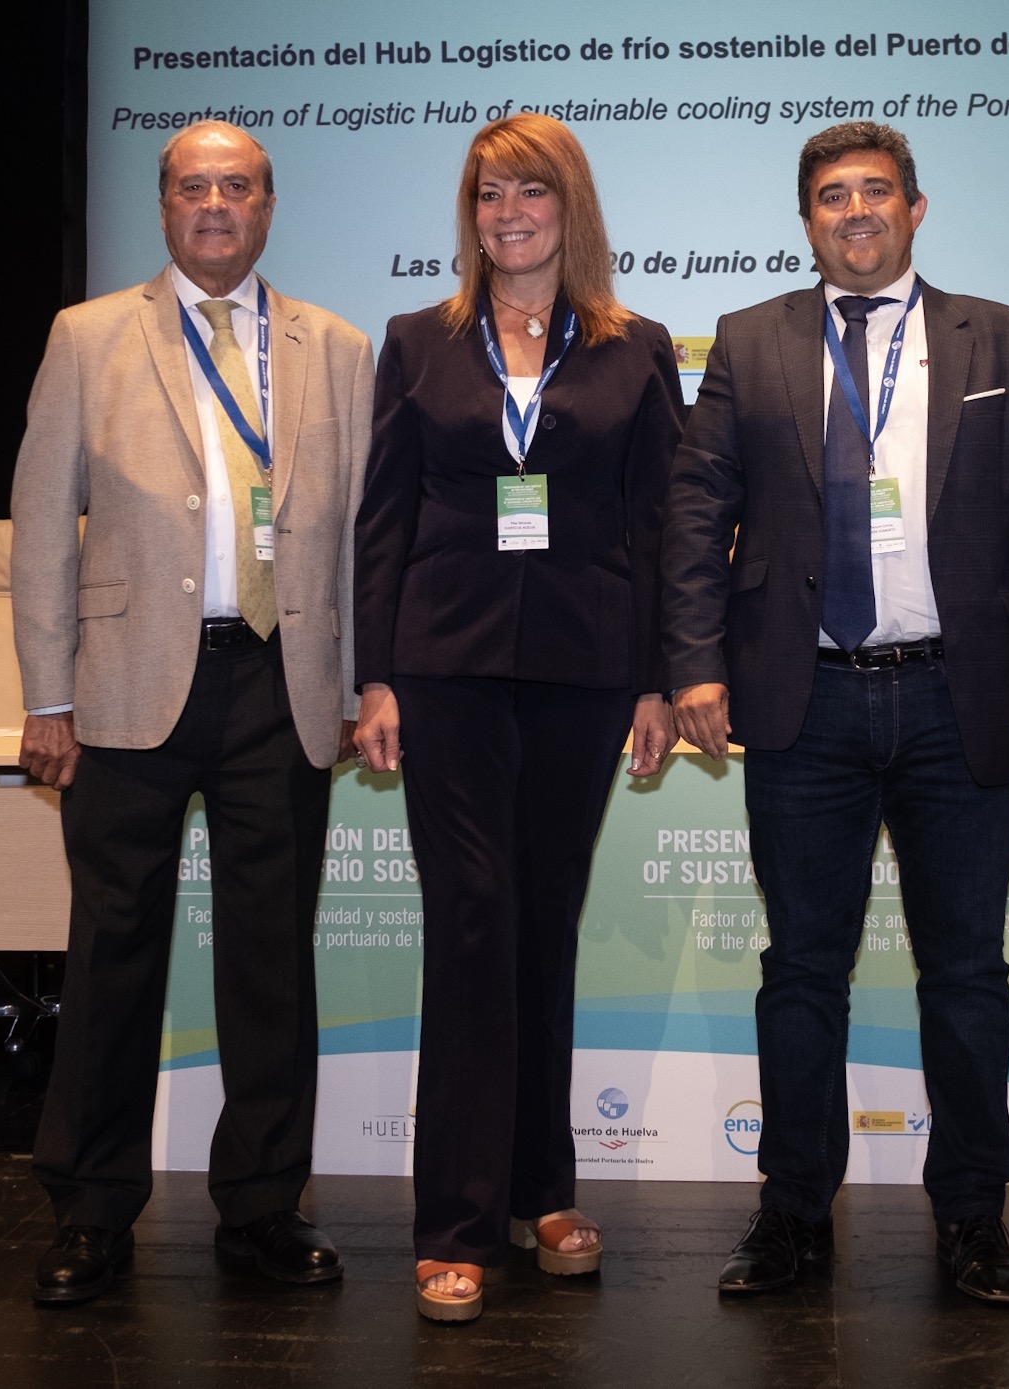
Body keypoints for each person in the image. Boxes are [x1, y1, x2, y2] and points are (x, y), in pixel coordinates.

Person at [660, 122, 1009, 1306]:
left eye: (872, 191)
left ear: (915, 207)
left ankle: (971, 1219)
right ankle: (791, 1214)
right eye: (827, 196)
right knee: (800, 970)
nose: (851, 210)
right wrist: (694, 662)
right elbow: (696, 514)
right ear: (804, 220)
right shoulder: (749, 342)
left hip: (956, 698)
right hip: (800, 704)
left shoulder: (1006, 338)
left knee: (964, 974)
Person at [11, 121, 373, 1306]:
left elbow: (364, 535)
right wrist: (48, 695)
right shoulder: (87, 336)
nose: (215, 204)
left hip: (284, 682)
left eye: (236, 186)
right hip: (126, 688)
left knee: (269, 961)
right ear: (164, 206)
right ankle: (91, 1210)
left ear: (270, 205)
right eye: (191, 187)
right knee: (115, 954)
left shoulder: (338, 346)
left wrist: (369, 684)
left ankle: (263, 1206)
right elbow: (39, 530)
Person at [350, 113, 685, 1324]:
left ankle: (544, 1185)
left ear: (569, 207)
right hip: (442, 667)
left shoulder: (637, 348)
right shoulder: (416, 343)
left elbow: (658, 526)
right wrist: (374, 674)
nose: (508, 214)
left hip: (585, 668)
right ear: (470, 214)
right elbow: (382, 517)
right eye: (488, 194)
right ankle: (453, 1217)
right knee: (474, 920)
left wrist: (655, 677)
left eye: (531, 192)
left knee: (544, 921)